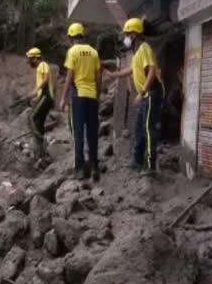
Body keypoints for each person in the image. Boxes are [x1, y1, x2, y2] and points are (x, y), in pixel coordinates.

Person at [106, 17, 163, 174]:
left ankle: (151, 166)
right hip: (146, 94)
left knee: (148, 128)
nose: (126, 38)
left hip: (151, 92)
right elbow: (131, 69)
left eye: (127, 34)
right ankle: (137, 161)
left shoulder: (144, 48)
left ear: (135, 34)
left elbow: (151, 71)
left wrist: (143, 92)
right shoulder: (138, 52)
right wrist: (114, 75)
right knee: (139, 128)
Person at [59, 22, 102, 181]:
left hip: (78, 96)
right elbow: (99, 76)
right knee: (92, 133)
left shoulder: (73, 52)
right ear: (82, 36)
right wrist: (97, 95)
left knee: (78, 134)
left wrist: (63, 98)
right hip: (92, 97)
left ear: (71, 37)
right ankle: (94, 166)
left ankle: (80, 169)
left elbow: (70, 77)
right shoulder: (93, 52)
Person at [26, 47, 53, 159]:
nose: (28, 62)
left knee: (31, 117)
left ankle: (40, 141)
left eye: (30, 59)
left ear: (36, 58)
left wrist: (35, 92)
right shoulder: (39, 67)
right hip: (44, 97)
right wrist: (36, 97)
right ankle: (41, 152)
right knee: (39, 122)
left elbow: (45, 79)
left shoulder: (43, 65)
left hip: (46, 96)